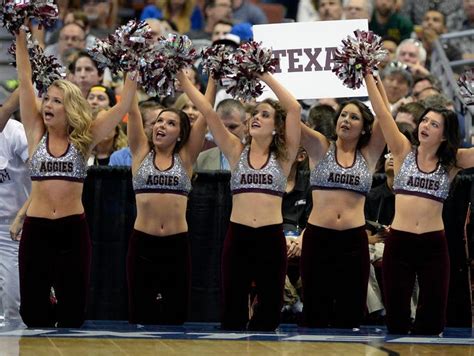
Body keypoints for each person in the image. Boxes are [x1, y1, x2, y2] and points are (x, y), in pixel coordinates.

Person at [14, 28, 137, 328]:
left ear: (70, 108)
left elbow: (122, 105)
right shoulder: (34, 133)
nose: (48, 106)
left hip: (72, 230)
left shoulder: (84, 140)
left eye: (57, 101)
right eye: (48, 100)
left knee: (73, 314)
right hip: (37, 228)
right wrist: (19, 34)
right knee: (32, 313)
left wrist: (132, 61)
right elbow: (25, 80)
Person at [181, 70, 301, 331]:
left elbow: (294, 108)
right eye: (255, 114)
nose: (257, 117)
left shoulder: (284, 157)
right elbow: (210, 114)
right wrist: (185, 80)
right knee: (233, 312)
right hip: (238, 237)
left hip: (271, 237)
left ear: (277, 127)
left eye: (265, 115)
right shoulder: (236, 150)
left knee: (269, 313)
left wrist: (264, 75)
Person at [365, 73, 474, 335]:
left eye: (434, 125)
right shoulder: (403, 150)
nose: (425, 126)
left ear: (445, 135)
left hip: (434, 245)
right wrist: (368, 72)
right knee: (397, 317)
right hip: (399, 242)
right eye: (424, 120)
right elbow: (382, 111)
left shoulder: (452, 162)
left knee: (433, 318)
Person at [298, 81, 387, 328]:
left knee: (350, 315)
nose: (346, 120)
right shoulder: (319, 146)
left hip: (353, 242)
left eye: (354, 117)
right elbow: (291, 116)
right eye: (343, 115)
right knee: (315, 313)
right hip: (318, 239)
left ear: (365, 128)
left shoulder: (369, 153)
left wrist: (369, 75)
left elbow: (384, 116)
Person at [126, 70, 211, 324]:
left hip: (176, 246)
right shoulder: (141, 151)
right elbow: (131, 110)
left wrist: (211, 80)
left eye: (171, 123)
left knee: (175, 318)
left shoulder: (185, 159)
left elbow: (206, 115)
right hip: (142, 244)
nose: (161, 126)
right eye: (159, 121)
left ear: (181, 134)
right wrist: (130, 68)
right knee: (140, 316)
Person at [0, 89, 30, 324]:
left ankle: (14, 337)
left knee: (12, 296)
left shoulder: (15, 131)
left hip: (10, 224)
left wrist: (22, 216)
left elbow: (41, 174)